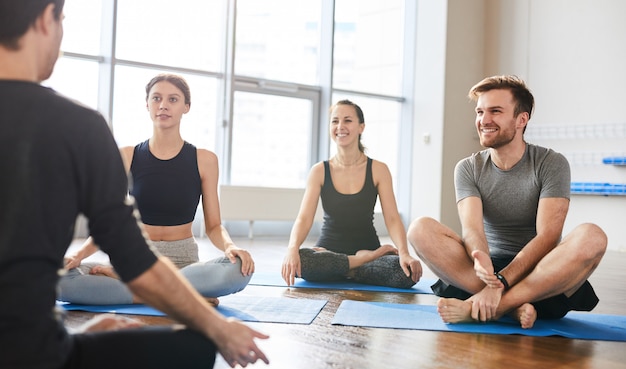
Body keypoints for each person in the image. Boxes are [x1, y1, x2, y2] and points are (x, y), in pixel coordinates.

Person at [0, 0, 268, 368]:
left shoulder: (199, 157)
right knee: (196, 347)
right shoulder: (80, 127)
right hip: (38, 354)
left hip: (174, 259)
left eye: (172, 99)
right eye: (63, 18)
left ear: (185, 108)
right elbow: (129, 252)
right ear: (45, 19)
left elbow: (207, 228)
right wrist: (217, 329)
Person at [407, 75, 607, 329]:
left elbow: (548, 237)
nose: (483, 120)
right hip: (485, 274)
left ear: (521, 119)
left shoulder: (551, 163)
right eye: (480, 112)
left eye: (495, 111)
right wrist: (482, 263)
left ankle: (495, 306)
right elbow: (472, 230)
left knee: (593, 236)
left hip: (542, 272)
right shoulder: (468, 168)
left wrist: (501, 282)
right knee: (419, 228)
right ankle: (511, 307)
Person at [58, 73, 253, 306]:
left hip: (184, 265)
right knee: (58, 279)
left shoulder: (205, 160)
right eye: (156, 98)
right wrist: (77, 256)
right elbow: (110, 221)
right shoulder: (127, 156)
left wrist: (231, 247)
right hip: (136, 260)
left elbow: (213, 226)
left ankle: (143, 290)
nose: (163, 105)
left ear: (186, 107)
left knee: (239, 269)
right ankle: (174, 294)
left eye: (173, 99)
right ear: (147, 105)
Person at [281, 100, 422, 288]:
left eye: (347, 120)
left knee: (406, 273)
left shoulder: (379, 169)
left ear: (361, 127)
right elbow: (304, 218)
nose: (340, 127)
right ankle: (359, 265)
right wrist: (292, 249)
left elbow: (392, 218)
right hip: (331, 251)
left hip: (365, 248)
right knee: (303, 261)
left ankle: (344, 269)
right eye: (335, 121)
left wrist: (404, 253)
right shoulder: (319, 171)